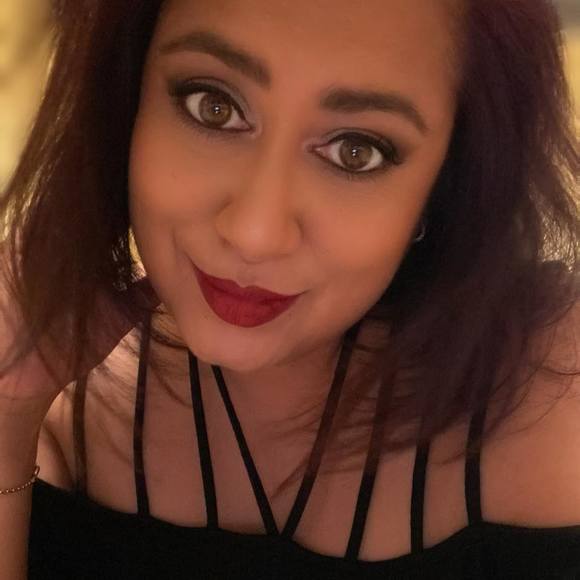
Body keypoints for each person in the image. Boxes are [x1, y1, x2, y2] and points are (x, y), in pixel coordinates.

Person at [0, 0, 579, 577]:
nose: (255, 233)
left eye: (356, 151)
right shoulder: (53, 411)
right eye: (214, 106)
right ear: (127, 105)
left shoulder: (556, 389)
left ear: (445, 181)